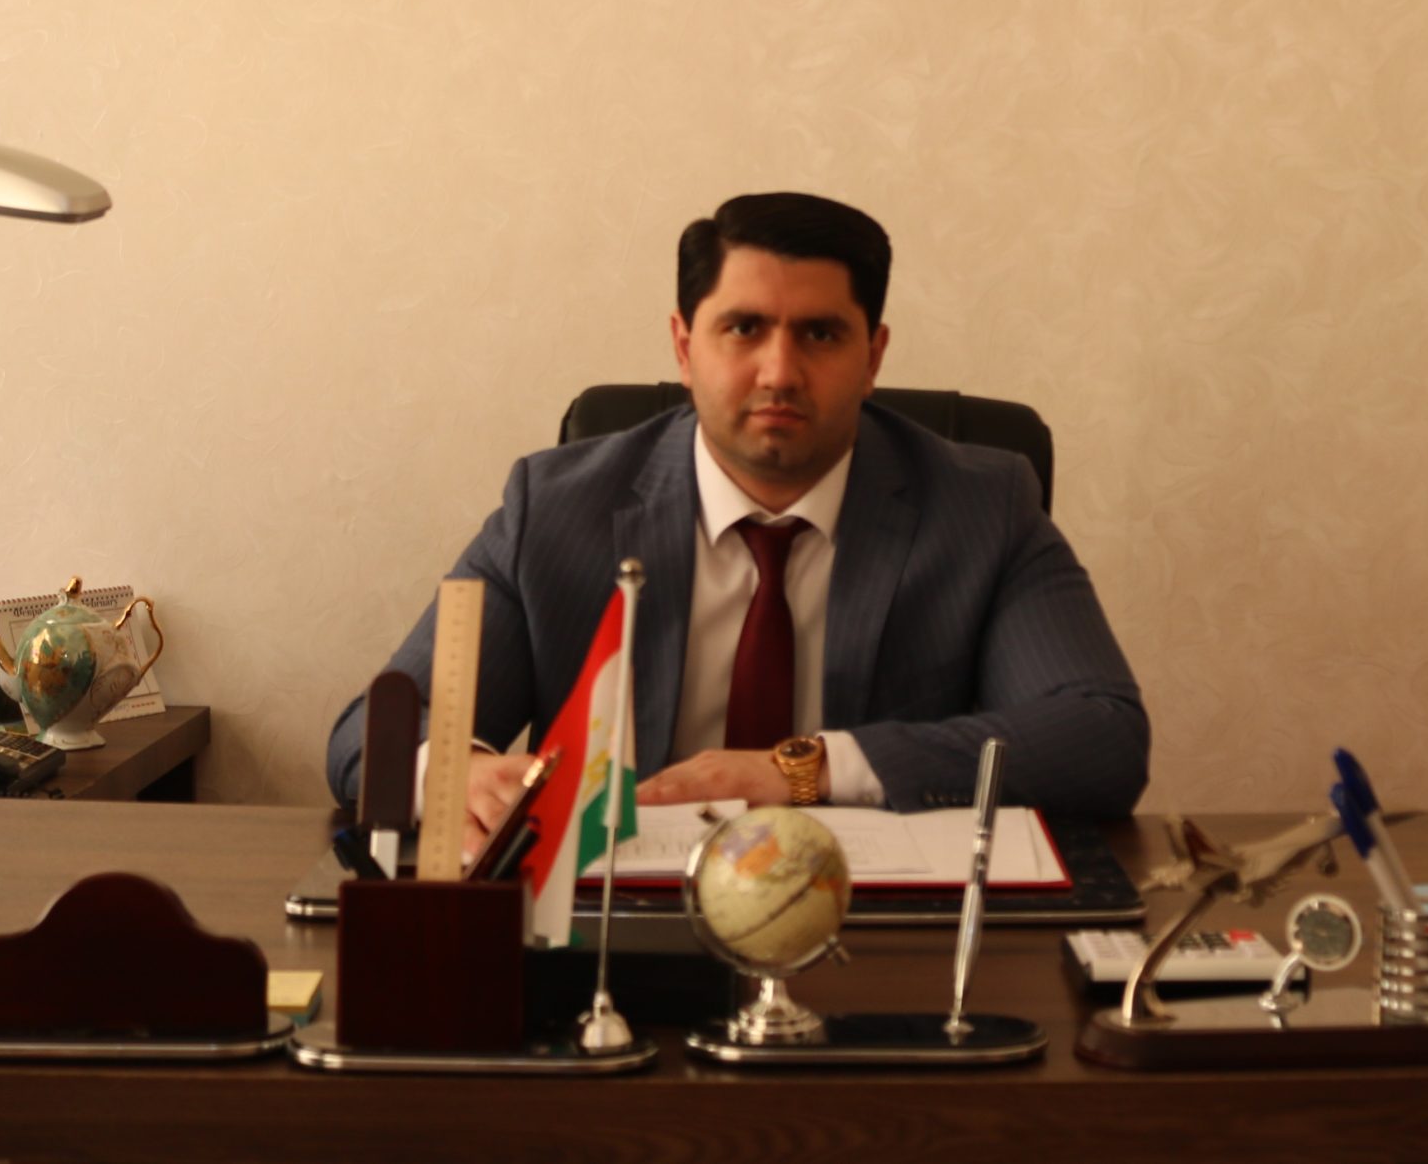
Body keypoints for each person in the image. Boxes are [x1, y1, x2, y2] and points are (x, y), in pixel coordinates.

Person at [325, 193, 1148, 860]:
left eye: (820, 334)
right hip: (617, 934)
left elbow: (1102, 738)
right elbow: (372, 732)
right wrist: (457, 775)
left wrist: (804, 772)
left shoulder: (982, 507)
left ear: (873, 357)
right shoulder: (557, 508)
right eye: (744, 328)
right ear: (684, 347)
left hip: (880, 938)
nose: (779, 372)